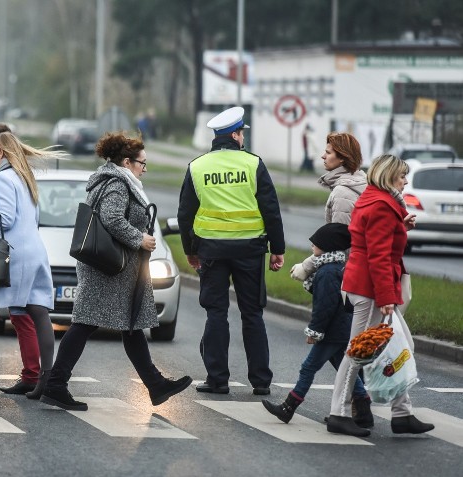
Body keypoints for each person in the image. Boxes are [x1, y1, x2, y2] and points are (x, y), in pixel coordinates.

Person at [41, 132, 193, 411]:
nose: (144, 169)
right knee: (85, 324)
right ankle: (55, 384)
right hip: (108, 270)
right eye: (142, 163)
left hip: (116, 271)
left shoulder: (117, 181)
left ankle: (155, 384)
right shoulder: (118, 184)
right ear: (127, 162)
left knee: (131, 326)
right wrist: (139, 238)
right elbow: (111, 218)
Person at [176, 106, 285, 395]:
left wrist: (190, 250)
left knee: (216, 313)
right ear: (235, 135)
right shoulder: (253, 164)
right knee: (252, 314)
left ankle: (217, 379)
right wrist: (278, 249)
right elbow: (270, 209)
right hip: (250, 250)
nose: (243, 138)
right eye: (242, 133)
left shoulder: (197, 167)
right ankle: (261, 382)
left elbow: (185, 214)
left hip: (211, 251)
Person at [327, 154, 434, 437]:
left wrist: (402, 227)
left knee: (401, 345)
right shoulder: (382, 206)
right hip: (370, 289)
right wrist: (387, 297)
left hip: (370, 286)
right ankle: (338, 413)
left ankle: (402, 413)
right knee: (357, 352)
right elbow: (378, 256)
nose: (406, 181)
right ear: (389, 177)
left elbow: (377, 241)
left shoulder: (377, 199)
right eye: (402, 176)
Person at [0, 131, 65, 399]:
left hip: (13, 254)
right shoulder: (25, 178)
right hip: (34, 251)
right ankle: (44, 377)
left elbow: (4, 219)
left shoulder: (2, 179)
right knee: (36, 312)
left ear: (3, 153)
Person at [263, 223, 371, 425]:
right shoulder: (335, 268)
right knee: (346, 370)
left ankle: (288, 408)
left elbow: (325, 307)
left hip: (332, 331)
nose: (312, 245)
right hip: (341, 329)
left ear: (328, 246)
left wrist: (315, 331)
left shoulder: (328, 273)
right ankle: (364, 410)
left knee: (308, 368)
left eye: (317, 243)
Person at [290, 132, 366, 281]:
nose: (323, 156)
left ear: (343, 157)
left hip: (348, 274)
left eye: (328, 152)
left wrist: (306, 267)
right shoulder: (355, 183)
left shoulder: (343, 192)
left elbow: (339, 244)